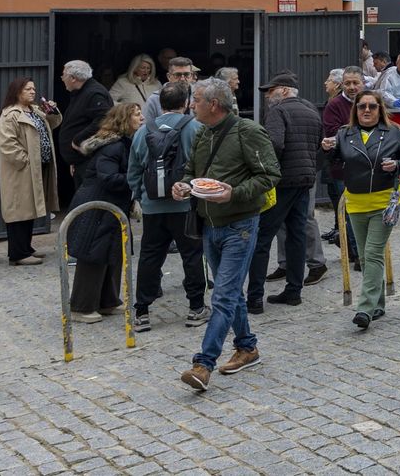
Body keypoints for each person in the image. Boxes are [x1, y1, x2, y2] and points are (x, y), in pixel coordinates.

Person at [174, 77, 281, 393]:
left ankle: (202, 364)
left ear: (213, 105)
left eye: (196, 100)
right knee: (230, 293)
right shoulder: (202, 134)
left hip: (241, 226)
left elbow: (271, 175)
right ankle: (247, 347)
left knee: (222, 295)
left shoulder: (248, 132)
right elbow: (191, 171)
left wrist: (233, 193)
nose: (191, 105)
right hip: (210, 224)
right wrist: (184, 185)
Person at [323, 88, 400, 330]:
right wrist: (327, 149)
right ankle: (378, 303)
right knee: (364, 256)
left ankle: (364, 308)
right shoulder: (345, 134)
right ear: (355, 110)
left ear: (379, 109)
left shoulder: (393, 132)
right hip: (356, 201)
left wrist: (396, 165)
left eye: (372, 106)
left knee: (373, 253)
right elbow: (331, 163)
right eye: (362, 106)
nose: (366, 110)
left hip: (385, 202)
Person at [127, 82, 206, 332]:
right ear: (186, 103)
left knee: (150, 257)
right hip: (185, 206)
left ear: (160, 103)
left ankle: (141, 312)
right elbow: (204, 166)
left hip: (152, 207)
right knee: (191, 256)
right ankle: (196, 308)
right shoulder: (195, 128)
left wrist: (141, 196)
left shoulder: (142, 131)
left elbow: (134, 171)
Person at [247, 72, 324, 312]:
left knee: (262, 237)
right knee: (296, 235)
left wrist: (267, 171)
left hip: (282, 182)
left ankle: (255, 297)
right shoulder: (312, 110)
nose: (268, 96)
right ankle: (294, 291)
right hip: (305, 180)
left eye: (270, 91)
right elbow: (320, 145)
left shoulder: (278, 111)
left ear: (283, 90)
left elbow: (275, 144)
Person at [65, 104, 142, 321]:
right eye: (137, 114)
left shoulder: (123, 143)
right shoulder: (112, 147)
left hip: (111, 207)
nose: (142, 117)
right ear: (125, 120)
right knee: (94, 254)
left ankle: (108, 301)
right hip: (97, 206)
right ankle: (81, 306)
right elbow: (108, 178)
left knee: (112, 253)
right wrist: (136, 179)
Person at [0, 77, 60, 266]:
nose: (33, 92)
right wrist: (25, 161)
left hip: (37, 168)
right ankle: (17, 253)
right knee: (18, 211)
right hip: (21, 172)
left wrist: (52, 110)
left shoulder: (36, 111)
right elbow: (7, 144)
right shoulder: (10, 115)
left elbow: (53, 123)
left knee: (29, 209)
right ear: (17, 92)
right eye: (28, 89)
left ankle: (27, 248)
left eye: (33, 88)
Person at [321, 66, 366, 258]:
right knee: (347, 212)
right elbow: (334, 133)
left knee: (364, 212)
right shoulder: (334, 105)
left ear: (363, 83)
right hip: (343, 168)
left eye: (356, 83)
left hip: (367, 169)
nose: (352, 87)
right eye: (348, 83)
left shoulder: (369, 102)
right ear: (342, 85)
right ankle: (355, 254)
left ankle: (356, 247)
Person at [57, 60, 113, 207]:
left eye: (64, 75)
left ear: (73, 78)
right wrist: (74, 159)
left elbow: (104, 118)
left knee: (88, 202)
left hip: (90, 159)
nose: (62, 79)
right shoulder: (80, 93)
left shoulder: (94, 93)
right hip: (80, 160)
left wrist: (78, 141)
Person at [142, 56, 198, 125]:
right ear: (168, 76)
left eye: (187, 74)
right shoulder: (154, 99)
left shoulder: (199, 97)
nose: (183, 79)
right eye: (178, 75)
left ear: (192, 76)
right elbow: (146, 127)